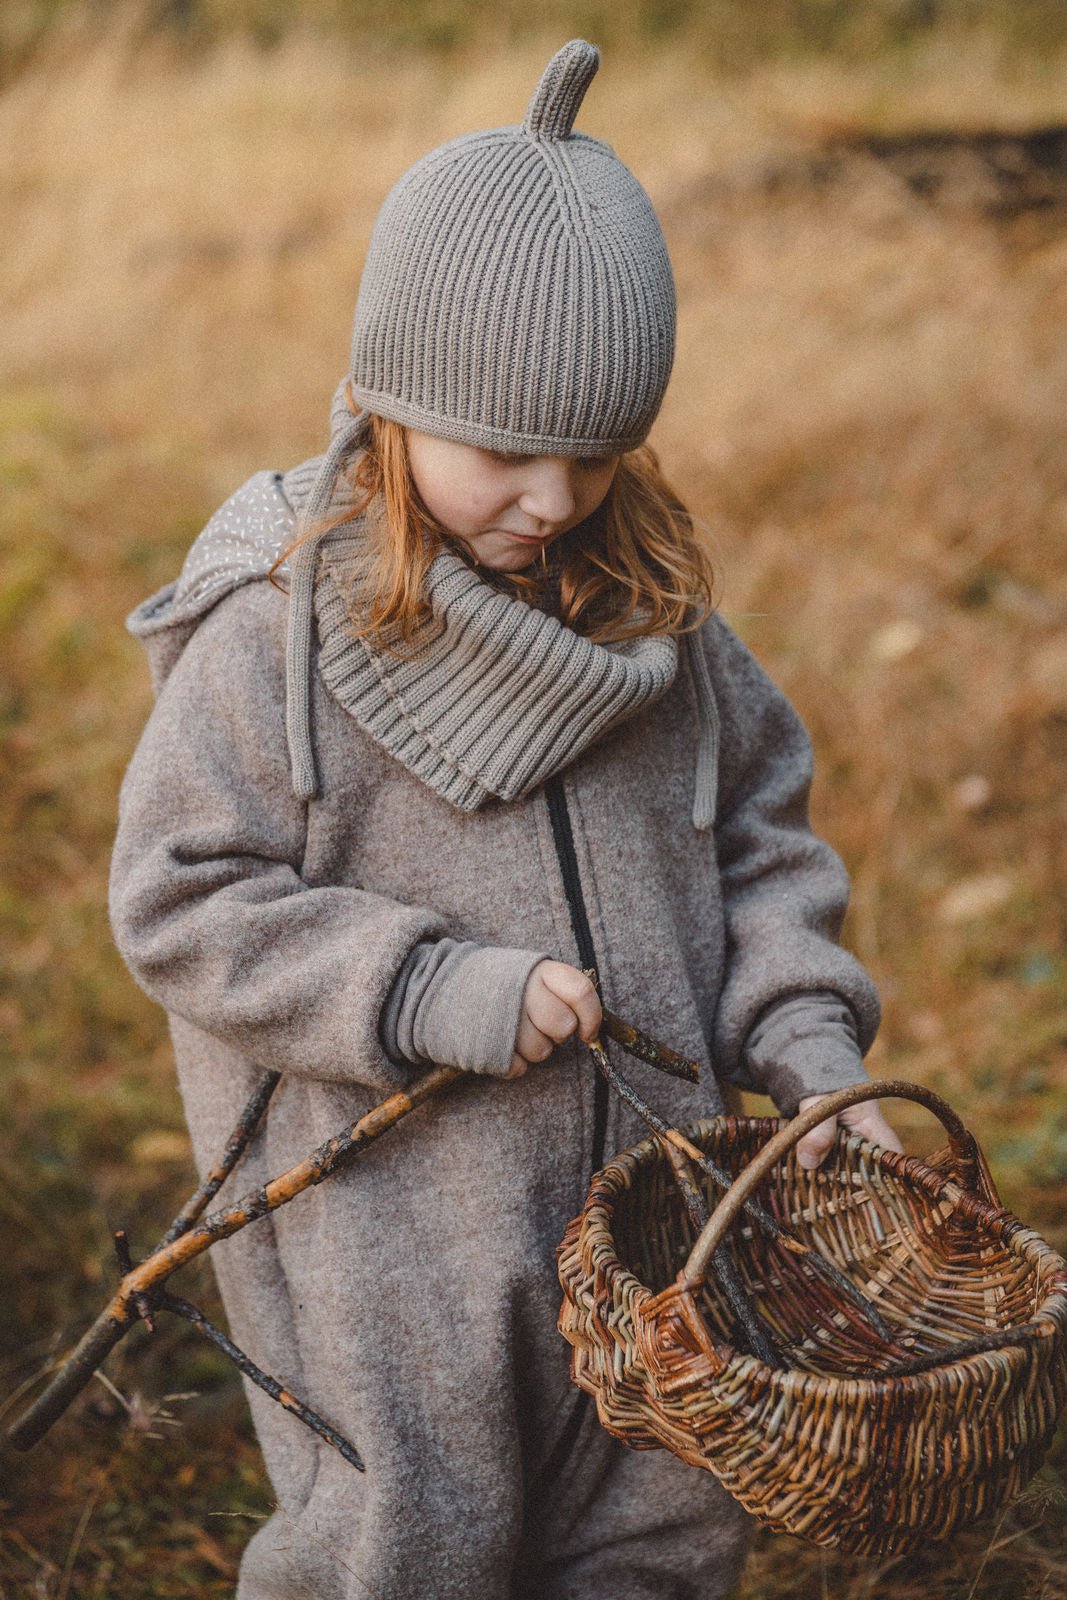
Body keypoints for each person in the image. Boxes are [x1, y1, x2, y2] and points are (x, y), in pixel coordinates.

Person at [109, 39, 901, 1600]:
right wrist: (431, 983)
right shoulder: (283, 637)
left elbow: (763, 851)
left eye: (598, 454)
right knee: (415, 1545)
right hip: (396, 1232)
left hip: (661, 1209)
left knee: (660, 1528)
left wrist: (814, 1066)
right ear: (391, 403)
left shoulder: (658, 626)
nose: (552, 498)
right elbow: (182, 899)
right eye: (504, 452)